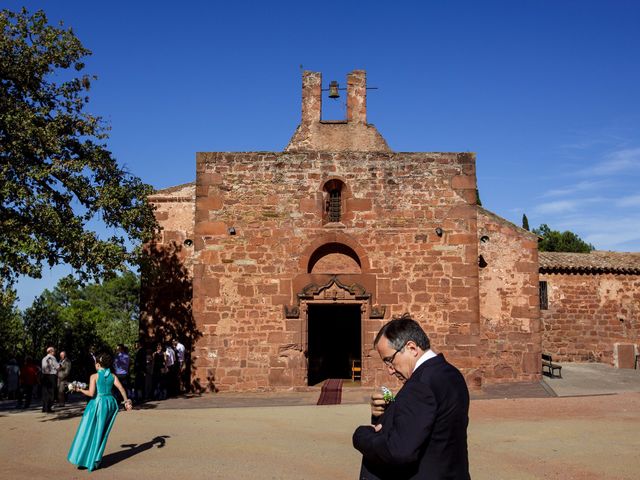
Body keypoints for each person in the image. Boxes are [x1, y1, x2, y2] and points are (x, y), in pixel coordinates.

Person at [352, 313, 470, 479]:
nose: (390, 370)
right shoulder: (450, 373)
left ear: (412, 348)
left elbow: (399, 451)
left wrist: (362, 435)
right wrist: (387, 412)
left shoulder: (420, 385)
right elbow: (426, 428)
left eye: (389, 360)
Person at [67, 352, 132, 471]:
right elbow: (121, 389)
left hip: (97, 405)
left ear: (98, 364)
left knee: (89, 431)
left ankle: (86, 459)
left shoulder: (94, 376)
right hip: (110, 404)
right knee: (102, 432)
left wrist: (79, 389)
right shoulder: (112, 376)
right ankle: (96, 459)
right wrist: (126, 402)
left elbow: (91, 394)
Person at [41, 346, 59, 413]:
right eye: (53, 351)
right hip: (51, 376)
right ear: (51, 352)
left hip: (44, 376)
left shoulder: (43, 358)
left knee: (44, 392)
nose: (54, 352)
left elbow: (43, 368)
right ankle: (49, 408)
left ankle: (44, 407)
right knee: (51, 392)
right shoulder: (52, 358)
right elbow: (57, 366)